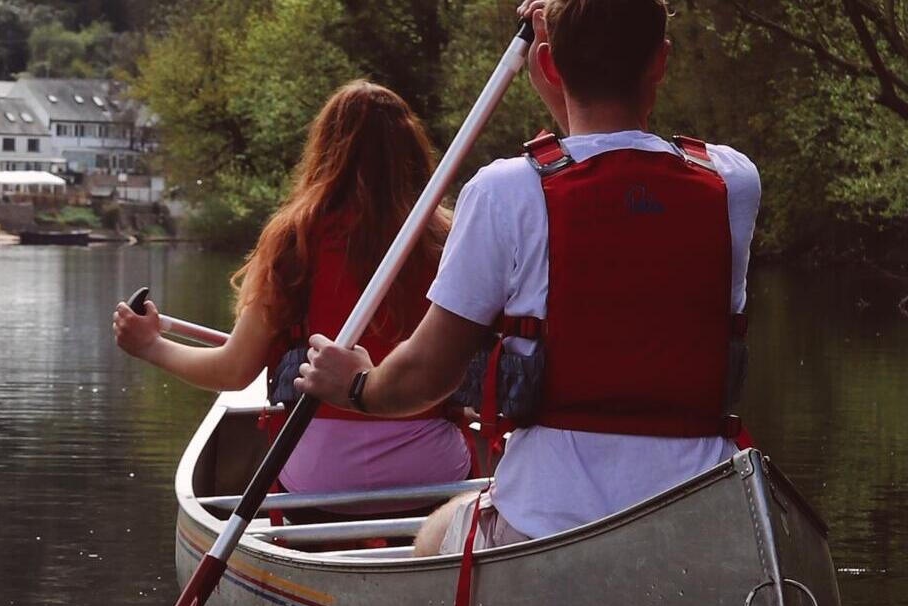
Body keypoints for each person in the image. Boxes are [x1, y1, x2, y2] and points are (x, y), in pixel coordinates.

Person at [294, 0, 759, 556]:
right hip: (698, 514)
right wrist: (566, 73)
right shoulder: (732, 182)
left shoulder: (504, 191)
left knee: (439, 530)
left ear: (551, 67)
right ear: (660, 61)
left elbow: (424, 375)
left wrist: (357, 386)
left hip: (546, 523)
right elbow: (611, 167)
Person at [112, 81, 471, 522]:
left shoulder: (294, 240)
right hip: (434, 476)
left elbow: (234, 369)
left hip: (319, 479)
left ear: (323, 151)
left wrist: (150, 345)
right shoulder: (450, 239)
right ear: (413, 154)